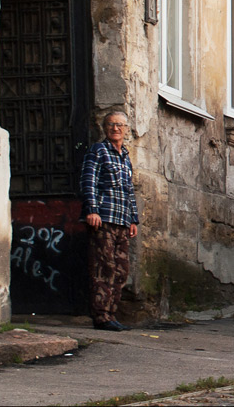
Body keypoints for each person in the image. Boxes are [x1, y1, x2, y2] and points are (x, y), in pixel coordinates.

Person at [81, 111, 139, 331]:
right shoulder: (98, 151)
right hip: (103, 218)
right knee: (104, 267)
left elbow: (129, 191)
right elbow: (89, 181)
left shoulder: (125, 156)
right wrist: (92, 210)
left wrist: (133, 219)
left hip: (122, 221)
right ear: (105, 128)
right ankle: (101, 316)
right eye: (111, 124)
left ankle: (112, 314)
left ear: (126, 129)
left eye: (120, 125)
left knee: (121, 270)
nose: (116, 128)